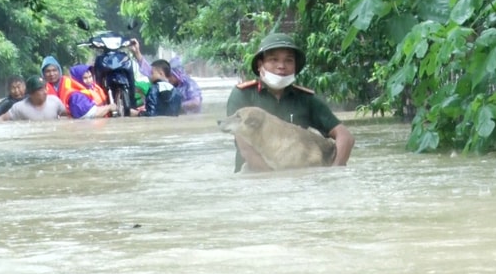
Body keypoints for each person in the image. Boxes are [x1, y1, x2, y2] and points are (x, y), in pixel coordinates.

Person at [226, 32, 355, 172]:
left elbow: (345, 136)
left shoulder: (305, 98)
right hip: (253, 177)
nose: (281, 66)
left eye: (289, 61)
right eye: (273, 60)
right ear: (259, 65)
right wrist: (276, 180)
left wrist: (335, 170)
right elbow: (246, 150)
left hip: (298, 177)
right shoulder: (243, 95)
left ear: (295, 66)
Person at [129, 39, 201, 114]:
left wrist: (175, 105)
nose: (168, 77)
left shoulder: (189, 84)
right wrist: (137, 52)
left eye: (170, 74)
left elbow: (196, 102)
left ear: (177, 75)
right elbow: (149, 69)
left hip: (188, 116)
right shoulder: (163, 84)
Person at [0, 76, 67, 121]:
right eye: (41, 90)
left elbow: (68, 117)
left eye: (45, 88)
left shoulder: (55, 101)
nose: (45, 92)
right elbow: (1, 120)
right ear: (31, 93)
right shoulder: (19, 107)